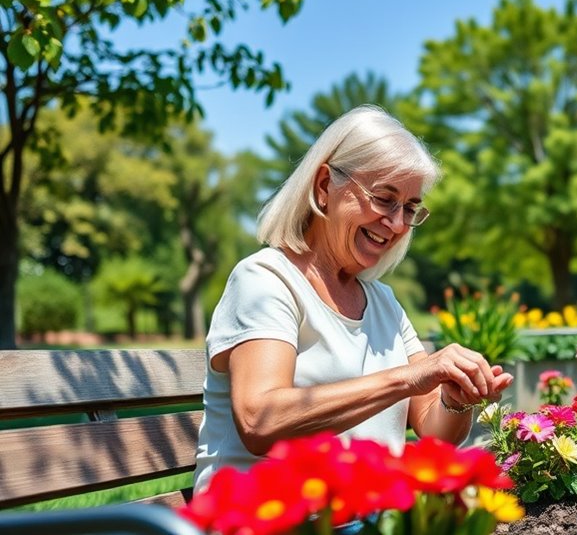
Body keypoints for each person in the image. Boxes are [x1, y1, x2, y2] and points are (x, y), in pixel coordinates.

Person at [193, 106, 513, 492]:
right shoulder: (265, 280)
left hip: (356, 512)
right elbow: (260, 420)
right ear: (324, 185)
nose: (397, 224)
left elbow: (434, 428)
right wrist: (407, 379)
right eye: (384, 198)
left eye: (410, 208)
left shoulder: (383, 303)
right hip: (262, 511)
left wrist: (455, 399)